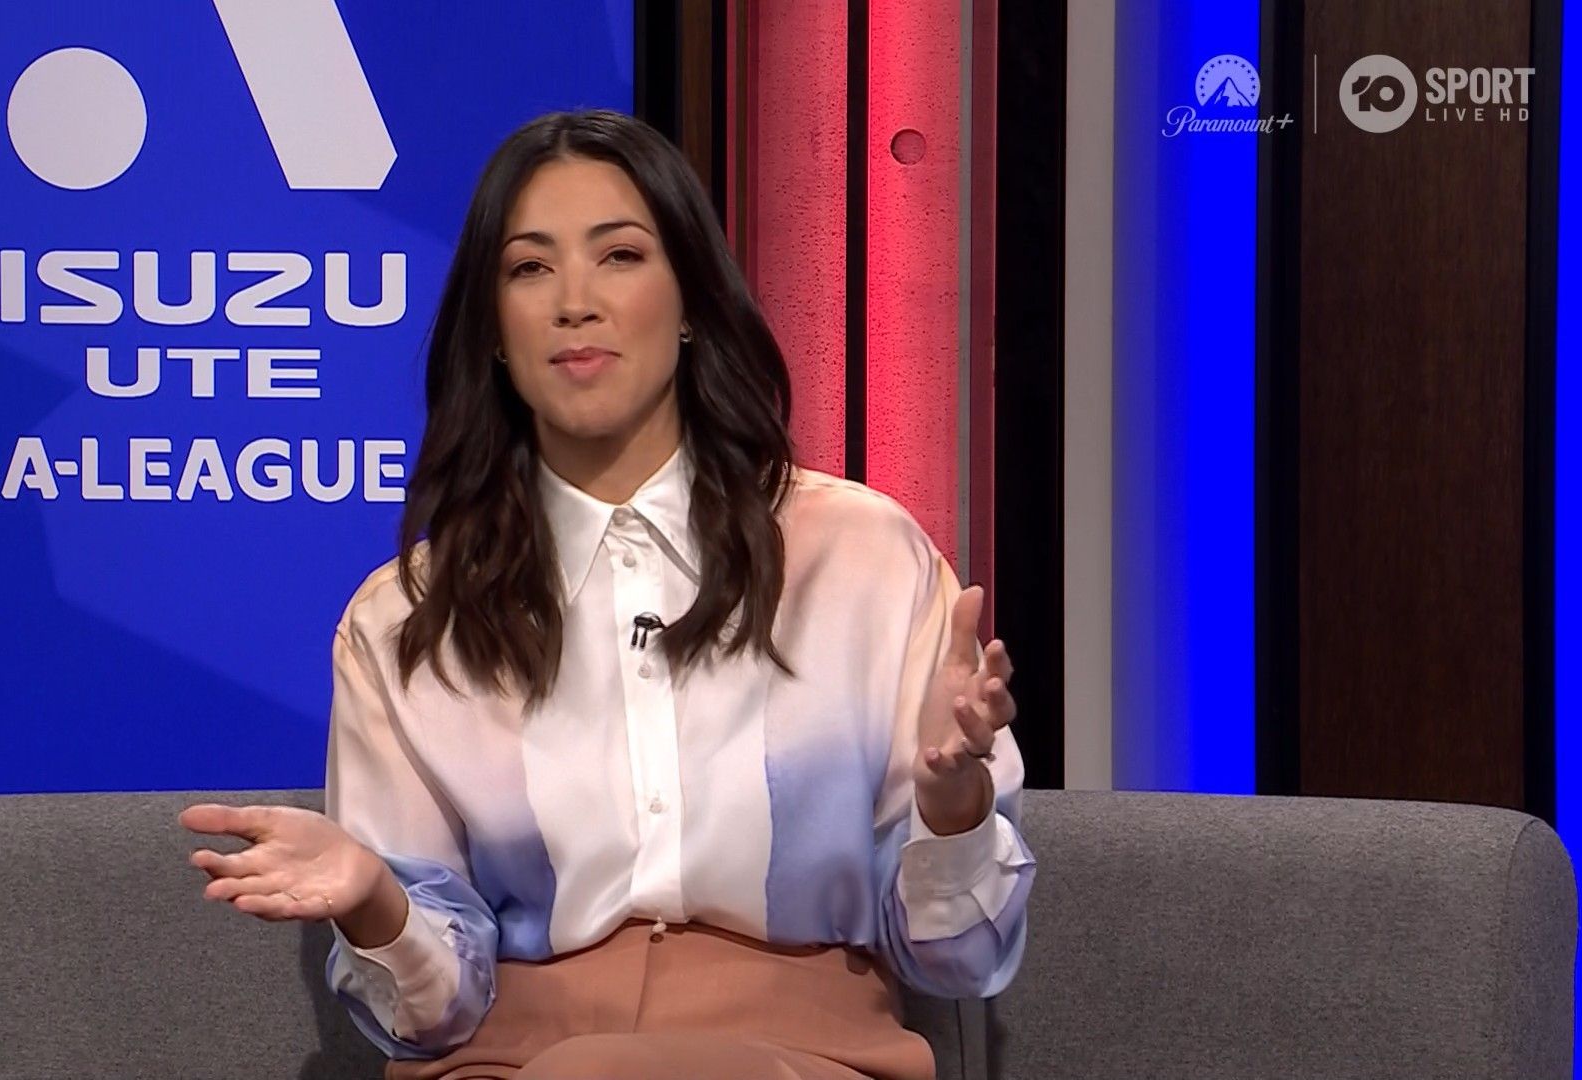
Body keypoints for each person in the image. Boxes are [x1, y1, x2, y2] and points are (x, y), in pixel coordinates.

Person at [180, 107, 1035, 1080]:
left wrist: (952, 809)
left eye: (619, 256)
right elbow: (429, 1015)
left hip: (811, 1053)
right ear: (493, 331)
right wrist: (377, 898)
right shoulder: (408, 619)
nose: (574, 303)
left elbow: (957, 960)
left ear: (691, 301)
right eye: (529, 269)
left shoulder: (863, 558)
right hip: (510, 1061)